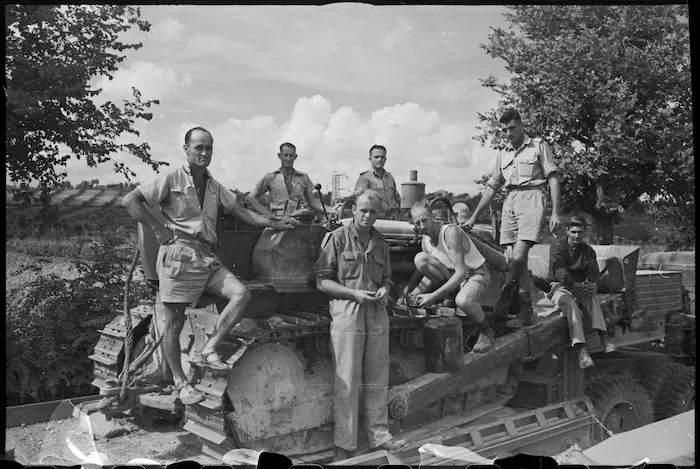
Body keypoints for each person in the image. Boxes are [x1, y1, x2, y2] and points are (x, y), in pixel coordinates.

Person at [122, 127, 298, 405]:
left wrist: (276, 223)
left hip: (206, 257)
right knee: (174, 323)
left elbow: (242, 212)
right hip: (178, 257)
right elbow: (130, 200)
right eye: (198, 148)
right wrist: (157, 228)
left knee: (240, 294)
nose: (204, 153)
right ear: (186, 149)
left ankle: (208, 348)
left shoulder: (214, 187)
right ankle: (180, 383)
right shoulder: (172, 177)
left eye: (208, 148)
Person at [314, 191, 407, 461]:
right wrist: (353, 294)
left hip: (376, 312)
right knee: (347, 378)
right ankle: (344, 444)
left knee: (378, 375)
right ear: (353, 210)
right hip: (348, 309)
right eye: (363, 210)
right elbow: (322, 281)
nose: (368, 216)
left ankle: (380, 436)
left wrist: (384, 290)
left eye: (373, 212)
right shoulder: (337, 238)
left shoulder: (380, 243)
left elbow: (387, 279)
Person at [463, 109, 561, 329]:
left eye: (512, 128)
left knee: (518, 256)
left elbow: (553, 179)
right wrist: (473, 217)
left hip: (533, 198)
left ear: (521, 125)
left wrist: (555, 212)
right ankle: (526, 310)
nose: (508, 133)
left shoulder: (538, 146)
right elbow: (491, 187)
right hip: (510, 200)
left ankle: (504, 299)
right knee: (515, 261)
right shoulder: (502, 153)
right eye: (505, 130)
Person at [397, 200, 496, 352]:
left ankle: (485, 331)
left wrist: (432, 297)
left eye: (425, 220)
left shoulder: (450, 233)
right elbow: (424, 270)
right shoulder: (426, 239)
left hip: (475, 274)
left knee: (463, 301)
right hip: (454, 277)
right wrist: (409, 292)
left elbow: (461, 273)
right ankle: (450, 296)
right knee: (420, 259)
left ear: (432, 217)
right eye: (417, 223)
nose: (422, 226)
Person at [546, 216, 616, 368]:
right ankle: (581, 349)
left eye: (580, 232)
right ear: (567, 230)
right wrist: (575, 285)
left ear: (585, 233)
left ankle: (604, 336)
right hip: (560, 286)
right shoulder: (558, 247)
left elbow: (593, 273)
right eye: (573, 232)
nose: (577, 236)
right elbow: (560, 273)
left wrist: (592, 285)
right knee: (570, 304)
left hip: (579, 287)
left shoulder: (588, 251)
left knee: (592, 297)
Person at [249, 142, 334, 220]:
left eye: (291, 155)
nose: (288, 159)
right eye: (285, 155)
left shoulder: (303, 177)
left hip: (299, 222)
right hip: (277, 222)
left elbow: (313, 201)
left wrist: (331, 210)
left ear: (295, 157)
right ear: (279, 156)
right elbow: (251, 197)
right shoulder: (271, 177)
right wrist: (268, 214)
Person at [353, 145, 402, 220]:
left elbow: (397, 198)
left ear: (385, 159)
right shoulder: (364, 178)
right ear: (370, 159)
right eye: (376, 157)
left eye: (382, 157)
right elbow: (361, 202)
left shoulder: (390, 177)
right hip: (377, 219)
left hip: (394, 218)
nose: (380, 159)